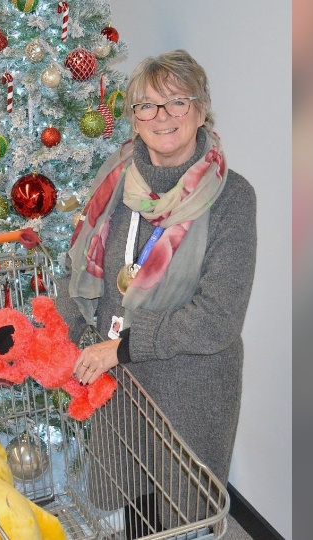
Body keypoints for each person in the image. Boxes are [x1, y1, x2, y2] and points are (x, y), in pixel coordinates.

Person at [54, 49, 257, 536]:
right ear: (133, 117)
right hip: (116, 382)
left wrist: (120, 348)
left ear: (202, 109)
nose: (162, 117)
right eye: (147, 106)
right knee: (128, 512)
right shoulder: (117, 178)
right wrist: (81, 331)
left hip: (188, 388)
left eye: (177, 103)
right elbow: (79, 265)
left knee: (181, 520)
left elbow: (218, 318)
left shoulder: (233, 197)